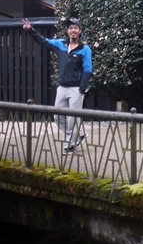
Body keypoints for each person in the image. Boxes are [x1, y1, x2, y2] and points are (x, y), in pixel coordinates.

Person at [22, 17, 92, 155]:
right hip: (62, 87)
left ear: (79, 31)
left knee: (73, 118)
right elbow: (44, 41)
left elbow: (88, 69)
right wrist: (31, 30)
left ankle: (70, 145)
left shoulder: (85, 49)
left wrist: (82, 89)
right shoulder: (60, 44)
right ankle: (79, 134)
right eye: (70, 28)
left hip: (76, 88)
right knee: (57, 116)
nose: (73, 30)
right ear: (67, 31)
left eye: (75, 28)